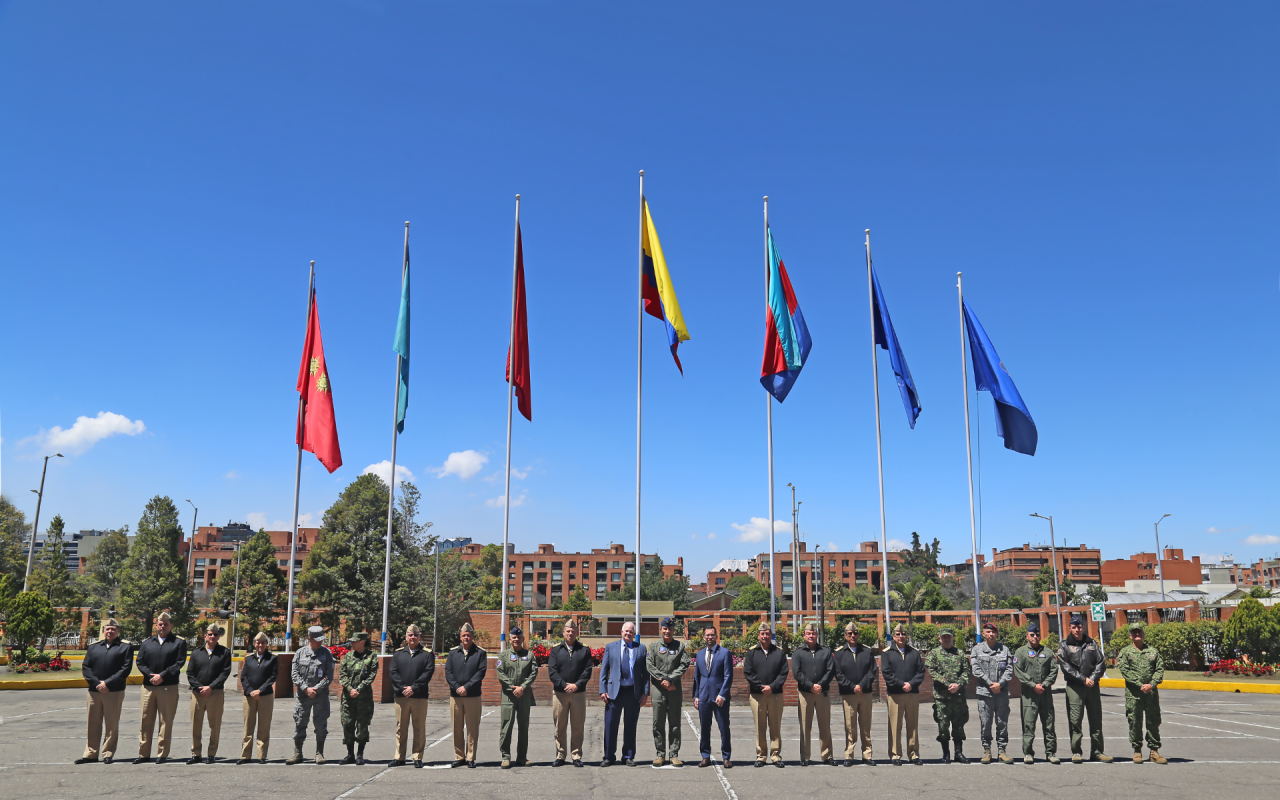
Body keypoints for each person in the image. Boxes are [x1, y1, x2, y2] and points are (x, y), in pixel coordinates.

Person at [1056, 614, 1111, 763]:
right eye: (1074, 627)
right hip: (1075, 688)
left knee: (1096, 720)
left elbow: (1101, 662)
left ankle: (1097, 751)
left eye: (1079, 627)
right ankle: (1076, 751)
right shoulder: (1064, 645)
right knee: (1075, 720)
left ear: (1083, 627)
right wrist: (1083, 679)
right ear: (1069, 628)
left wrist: (1092, 678)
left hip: (1092, 687)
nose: (1077, 629)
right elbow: (1066, 667)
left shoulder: (1091, 643)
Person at [134, 612, 188, 764]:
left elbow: (179, 663)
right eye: (160, 624)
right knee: (146, 720)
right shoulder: (147, 643)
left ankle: (161, 754)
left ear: (171, 626)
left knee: (165, 721)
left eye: (165, 624)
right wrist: (151, 675)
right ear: (156, 626)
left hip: (168, 687)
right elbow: (140, 662)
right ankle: (143, 753)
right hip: (149, 687)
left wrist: (162, 675)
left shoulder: (178, 643)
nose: (162, 626)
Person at [77, 618, 132, 764]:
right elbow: (86, 667)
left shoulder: (125, 647)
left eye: (113, 629)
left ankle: (107, 753)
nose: (110, 631)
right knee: (93, 722)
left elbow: (125, 669)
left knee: (111, 723)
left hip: (113, 691)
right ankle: (91, 753)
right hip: (94, 691)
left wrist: (107, 683)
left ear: (118, 631)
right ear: (103, 631)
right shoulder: (94, 647)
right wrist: (97, 683)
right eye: (107, 629)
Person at [599, 620, 649, 766]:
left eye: (631, 631)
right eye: (626, 631)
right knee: (610, 724)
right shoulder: (611, 647)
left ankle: (628, 756)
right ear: (621, 632)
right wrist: (603, 690)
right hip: (614, 692)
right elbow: (604, 670)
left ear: (634, 634)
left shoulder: (641, 648)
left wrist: (645, 693)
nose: (628, 633)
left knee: (630, 725)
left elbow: (645, 674)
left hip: (633, 692)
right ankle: (608, 756)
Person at [1118, 623, 1166, 765]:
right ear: (1130, 636)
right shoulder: (1125, 652)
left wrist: (1151, 684)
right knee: (1135, 722)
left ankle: (1154, 751)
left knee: (1153, 721)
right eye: (1134, 632)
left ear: (1144, 634)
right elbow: (1125, 671)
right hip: (1134, 694)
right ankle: (1137, 750)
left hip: (1151, 693)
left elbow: (1159, 669)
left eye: (1139, 632)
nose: (1137, 634)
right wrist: (1140, 685)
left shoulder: (1153, 651)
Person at [548, 618, 593, 767]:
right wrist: (564, 685)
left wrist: (576, 685)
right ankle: (560, 755)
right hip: (560, 694)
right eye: (568, 631)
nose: (570, 633)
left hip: (578, 694)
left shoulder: (584, 650)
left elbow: (587, 671)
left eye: (573, 631)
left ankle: (576, 755)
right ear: (563, 632)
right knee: (560, 725)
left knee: (577, 726)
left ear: (577, 633)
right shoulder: (555, 650)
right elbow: (552, 671)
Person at [742, 622, 788, 768]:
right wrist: (761, 687)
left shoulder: (779, 653)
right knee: (760, 727)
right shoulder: (751, 653)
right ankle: (761, 756)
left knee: (775, 726)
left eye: (767, 634)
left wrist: (772, 687)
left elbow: (783, 673)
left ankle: (775, 755)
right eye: (762, 634)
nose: (765, 636)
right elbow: (748, 672)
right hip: (757, 696)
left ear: (770, 635)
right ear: (758, 636)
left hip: (775, 695)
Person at [288, 625, 335, 765]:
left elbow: (329, 676)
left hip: (320, 696)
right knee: (300, 723)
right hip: (303, 696)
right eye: (317, 639)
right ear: (309, 638)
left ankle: (319, 752)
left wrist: (315, 688)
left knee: (321, 725)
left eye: (321, 639)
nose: (320, 642)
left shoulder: (326, 653)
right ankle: (297, 752)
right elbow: (294, 674)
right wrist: (305, 688)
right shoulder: (300, 653)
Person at [1013, 622, 1059, 764]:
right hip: (1029, 694)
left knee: (1049, 723)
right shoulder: (1020, 652)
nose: (1035, 637)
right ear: (1027, 636)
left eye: (1037, 634)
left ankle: (1050, 753)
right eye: (1032, 635)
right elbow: (1018, 671)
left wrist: (1044, 685)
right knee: (1028, 724)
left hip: (1045, 693)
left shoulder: (1048, 652)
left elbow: (1054, 670)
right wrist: (1033, 685)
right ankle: (1028, 753)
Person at [186, 623, 232, 764]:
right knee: (196, 724)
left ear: (219, 637)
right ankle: (196, 754)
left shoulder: (224, 652)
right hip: (198, 694)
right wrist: (200, 687)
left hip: (215, 693)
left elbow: (225, 672)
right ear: (205, 636)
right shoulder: (196, 653)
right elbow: (190, 673)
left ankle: (211, 754)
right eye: (210, 634)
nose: (212, 636)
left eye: (215, 634)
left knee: (215, 725)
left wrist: (211, 687)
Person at [647, 616, 689, 767]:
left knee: (675, 723)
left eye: (670, 629)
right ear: (661, 630)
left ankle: (674, 754)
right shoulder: (653, 647)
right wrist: (662, 679)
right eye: (665, 629)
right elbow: (649, 665)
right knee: (658, 722)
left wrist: (670, 678)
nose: (667, 631)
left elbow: (684, 665)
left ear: (673, 631)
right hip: (658, 689)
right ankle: (660, 754)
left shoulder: (680, 646)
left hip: (674, 689)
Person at [881, 623, 925, 766]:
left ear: (907, 636)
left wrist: (911, 684)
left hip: (912, 693)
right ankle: (895, 754)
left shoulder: (914, 652)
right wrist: (901, 684)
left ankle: (913, 754)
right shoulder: (887, 653)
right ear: (893, 637)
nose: (901, 636)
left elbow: (921, 672)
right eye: (898, 634)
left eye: (903, 634)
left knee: (912, 725)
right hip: (895, 694)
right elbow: (887, 673)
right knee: (895, 725)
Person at [924, 627, 970, 764]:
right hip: (942, 697)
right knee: (943, 726)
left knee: (958, 726)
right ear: (939, 638)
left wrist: (958, 684)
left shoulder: (960, 653)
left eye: (949, 636)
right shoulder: (934, 654)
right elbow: (931, 671)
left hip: (958, 696)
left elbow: (967, 672)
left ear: (952, 638)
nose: (946, 639)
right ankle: (946, 753)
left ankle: (958, 753)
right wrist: (948, 683)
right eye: (944, 637)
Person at [971, 621, 1015, 764]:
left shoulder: (1005, 649)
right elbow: (976, 669)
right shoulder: (977, 650)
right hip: (985, 693)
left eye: (993, 632)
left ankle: (1002, 751)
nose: (991, 634)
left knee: (1002, 722)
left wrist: (1000, 684)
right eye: (988, 632)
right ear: (983, 634)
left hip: (1001, 693)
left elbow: (1009, 669)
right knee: (986, 722)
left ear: (997, 634)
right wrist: (990, 683)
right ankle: (987, 750)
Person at [833, 622, 877, 766]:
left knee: (865, 725)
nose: (853, 635)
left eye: (855, 633)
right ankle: (849, 755)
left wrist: (861, 686)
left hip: (865, 693)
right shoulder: (839, 653)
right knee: (850, 726)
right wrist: (853, 687)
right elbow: (838, 674)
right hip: (849, 694)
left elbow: (872, 671)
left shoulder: (867, 651)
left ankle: (867, 754)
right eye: (850, 633)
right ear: (845, 636)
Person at [793, 622, 836, 766]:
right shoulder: (798, 653)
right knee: (805, 726)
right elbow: (796, 673)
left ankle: (827, 756)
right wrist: (811, 686)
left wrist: (820, 685)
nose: (811, 636)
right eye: (808, 633)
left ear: (817, 635)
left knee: (825, 725)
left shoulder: (826, 651)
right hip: (805, 694)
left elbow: (831, 670)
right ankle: (805, 757)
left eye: (814, 633)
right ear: (804, 635)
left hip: (822, 693)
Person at [445, 622, 487, 768]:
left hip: (473, 696)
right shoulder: (452, 653)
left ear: (473, 637)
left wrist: (466, 687)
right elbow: (448, 673)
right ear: (460, 637)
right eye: (464, 635)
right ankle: (459, 756)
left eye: (469, 635)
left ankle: (470, 757)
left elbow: (480, 673)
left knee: (472, 727)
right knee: (457, 727)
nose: (466, 638)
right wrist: (457, 687)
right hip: (455, 696)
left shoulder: (480, 653)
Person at [497, 625, 538, 769]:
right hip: (508, 695)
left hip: (524, 695)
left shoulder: (530, 654)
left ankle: (522, 757)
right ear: (510, 639)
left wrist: (523, 687)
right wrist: (512, 687)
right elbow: (500, 673)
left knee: (523, 727)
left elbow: (533, 673)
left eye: (519, 637)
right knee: (506, 726)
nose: (516, 639)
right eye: (514, 637)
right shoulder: (503, 655)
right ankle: (505, 757)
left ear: (523, 639)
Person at [692, 626, 733, 769]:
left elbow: (728, 676)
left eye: (712, 635)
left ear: (716, 636)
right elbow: (697, 677)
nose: (710, 637)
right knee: (704, 728)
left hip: (719, 698)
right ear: (703, 637)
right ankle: (705, 756)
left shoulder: (725, 653)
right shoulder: (699, 654)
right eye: (707, 635)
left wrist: (722, 694)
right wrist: (696, 696)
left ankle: (726, 757)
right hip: (703, 697)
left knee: (724, 728)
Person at [340, 631, 381, 766]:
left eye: (354, 641)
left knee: (362, 726)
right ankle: (350, 754)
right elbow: (342, 675)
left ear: (362, 642)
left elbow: (371, 676)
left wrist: (358, 689)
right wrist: (350, 689)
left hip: (364, 698)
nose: (351, 643)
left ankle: (360, 754)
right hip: (348, 698)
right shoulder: (347, 656)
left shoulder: (371, 657)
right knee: (347, 725)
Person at [238, 632, 277, 764]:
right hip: (249, 696)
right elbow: (243, 677)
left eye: (263, 642)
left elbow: (272, 677)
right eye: (258, 642)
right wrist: (250, 691)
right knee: (248, 727)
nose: (260, 645)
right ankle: (245, 756)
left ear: (266, 644)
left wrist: (260, 690)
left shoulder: (272, 658)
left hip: (265, 695)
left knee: (263, 727)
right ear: (254, 644)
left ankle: (261, 756)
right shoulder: (249, 659)